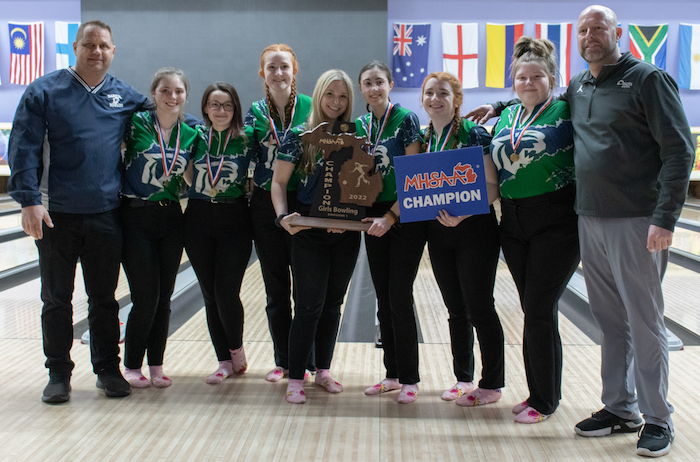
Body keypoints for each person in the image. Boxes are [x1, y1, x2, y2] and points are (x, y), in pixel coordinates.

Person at [469, 5, 694, 456]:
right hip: (588, 217)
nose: (591, 35)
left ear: (618, 33)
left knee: (645, 322)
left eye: (599, 28)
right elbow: (534, 101)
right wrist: (497, 105)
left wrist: (664, 218)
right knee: (611, 322)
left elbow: (679, 149)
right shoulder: (580, 83)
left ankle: (658, 417)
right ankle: (620, 407)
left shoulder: (647, 79)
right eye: (583, 30)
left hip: (636, 219)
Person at [7, 20, 147, 403]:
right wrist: (29, 200)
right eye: (89, 44)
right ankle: (58, 373)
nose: (96, 51)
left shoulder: (123, 94)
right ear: (75, 46)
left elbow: (165, 114)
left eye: (104, 45)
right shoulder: (44, 91)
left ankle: (107, 369)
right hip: (56, 214)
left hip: (106, 213)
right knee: (57, 298)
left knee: (104, 298)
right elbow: (23, 147)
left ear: (113, 51)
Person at [486, 36, 580, 424]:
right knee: (534, 310)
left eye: (537, 76)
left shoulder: (567, 108)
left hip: (556, 221)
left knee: (539, 309)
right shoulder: (507, 116)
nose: (529, 82)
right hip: (513, 220)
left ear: (552, 78)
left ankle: (545, 401)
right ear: (513, 83)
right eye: (522, 77)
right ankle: (539, 391)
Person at [271, 69, 360, 404]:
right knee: (308, 305)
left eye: (343, 97)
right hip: (309, 233)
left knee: (333, 304)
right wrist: (282, 217)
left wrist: (348, 216)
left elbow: (358, 186)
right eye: (330, 95)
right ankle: (296, 376)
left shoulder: (355, 136)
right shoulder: (299, 136)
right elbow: (278, 183)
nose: (336, 102)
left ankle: (323, 370)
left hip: (345, 234)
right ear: (319, 95)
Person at [419, 72, 505, 406]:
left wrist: (463, 214)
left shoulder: (474, 133)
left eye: (443, 93)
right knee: (456, 309)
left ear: (457, 100)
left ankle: (492, 383)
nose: (434, 99)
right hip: (439, 231)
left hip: (475, 230)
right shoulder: (424, 137)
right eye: (429, 93)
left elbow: (492, 187)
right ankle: (463, 378)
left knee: (480, 307)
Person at [120, 67, 199, 388]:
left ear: (185, 95)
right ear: (153, 94)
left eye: (178, 91)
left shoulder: (192, 133)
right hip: (135, 216)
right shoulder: (134, 124)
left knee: (164, 296)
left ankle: (156, 364)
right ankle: (131, 364)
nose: (172, 96)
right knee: (145, 295)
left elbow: (195, 176)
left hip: (170, 218)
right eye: (165, 90)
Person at [355, 61, 424, 404]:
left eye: (379, 81)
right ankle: (392, 375)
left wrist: (391, 216)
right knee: (383, 297)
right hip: (372, 218)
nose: (374, 88)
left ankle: (410, 378)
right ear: (362, 89)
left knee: (399, 296)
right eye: (367, 83)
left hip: (403, 217)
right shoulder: (360, 125)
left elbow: (413, 175)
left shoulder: (406, 119)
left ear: (390, 84)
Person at [245, 44, 314, 382]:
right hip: (265, 205)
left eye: (284, 66)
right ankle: (284, 361)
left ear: (294, 70)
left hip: (303, 201)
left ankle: (308, 359)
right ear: (263, 74)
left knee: (305, 286)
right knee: (276, 288)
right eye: (271, 67)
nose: (278, 73)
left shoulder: (311, 108)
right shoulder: (255, 113)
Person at [184, 82, 254, 384]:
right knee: (210, 296)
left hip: (235, 217)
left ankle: (236, 349)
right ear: (205, 108)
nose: (221, 110)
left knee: (227, 292)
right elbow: (185, 170)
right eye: (215, 104)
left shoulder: (247, 139)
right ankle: (223, 361)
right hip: (198, 217)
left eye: (227, 105)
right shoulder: (195, 138)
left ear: (235, 109)